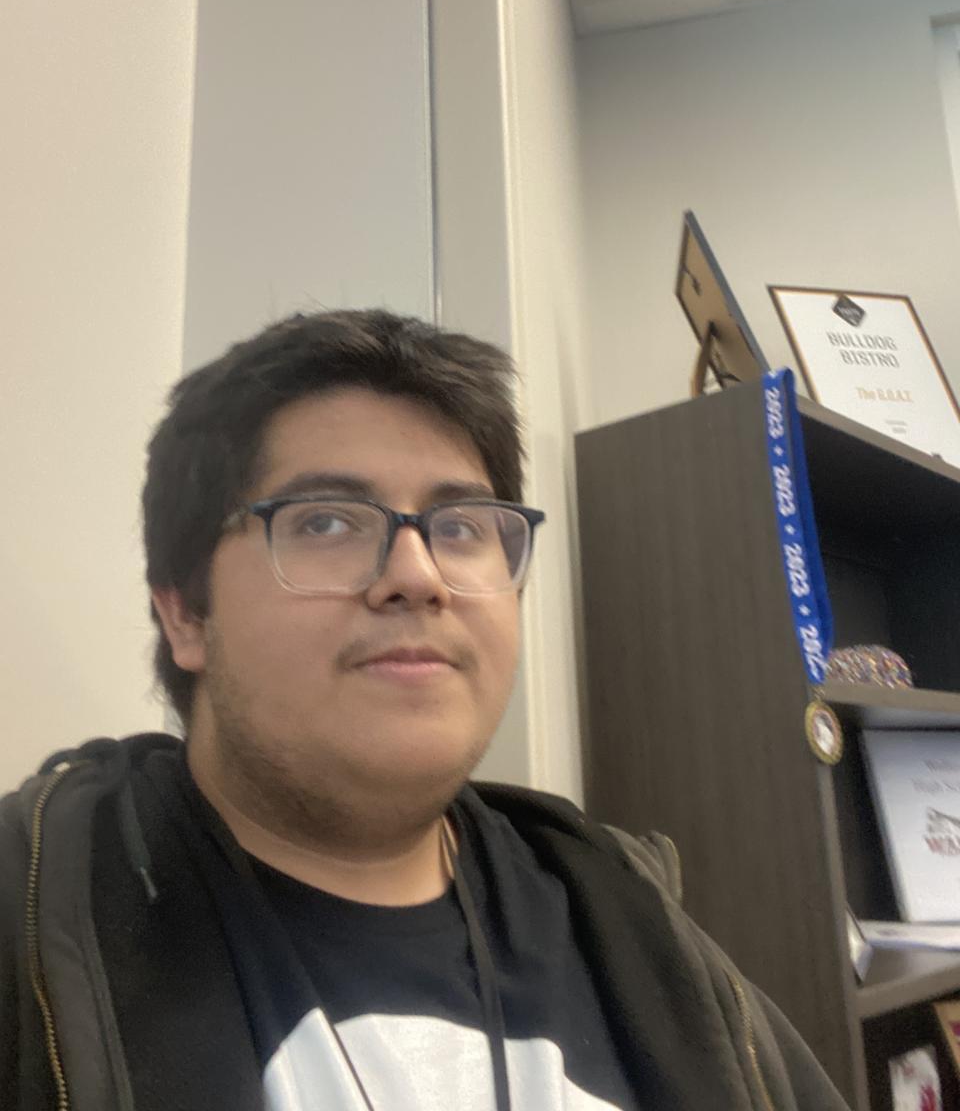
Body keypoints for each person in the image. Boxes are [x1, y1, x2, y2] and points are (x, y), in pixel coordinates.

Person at [0, 309, 849, 1110]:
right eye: (325, 521)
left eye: (462, 526)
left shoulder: (631, 924)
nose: (417, 575)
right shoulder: (34, 916)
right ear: (185, 612)